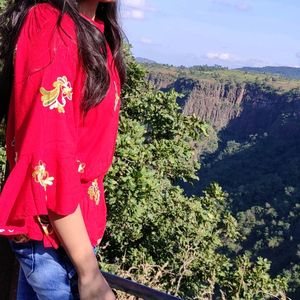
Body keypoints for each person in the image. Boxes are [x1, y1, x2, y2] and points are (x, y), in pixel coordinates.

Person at [0, 0, 126, 299]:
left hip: (74, 230)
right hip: (52, 235)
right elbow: (48, 157)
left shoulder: (97, 31)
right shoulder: (50, 26)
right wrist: (88, 270)